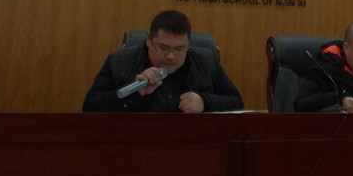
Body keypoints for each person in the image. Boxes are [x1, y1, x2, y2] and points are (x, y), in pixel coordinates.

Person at [82, 10, 243, 112]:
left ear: (188, 44)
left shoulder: (206, 61)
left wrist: (204, 102)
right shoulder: (119, 61)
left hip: (190, 143)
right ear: (148, 39)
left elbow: (236, 101)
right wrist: (135, 92)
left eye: (180, 49)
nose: (171, 56)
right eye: (164, 48)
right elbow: (89, 107)